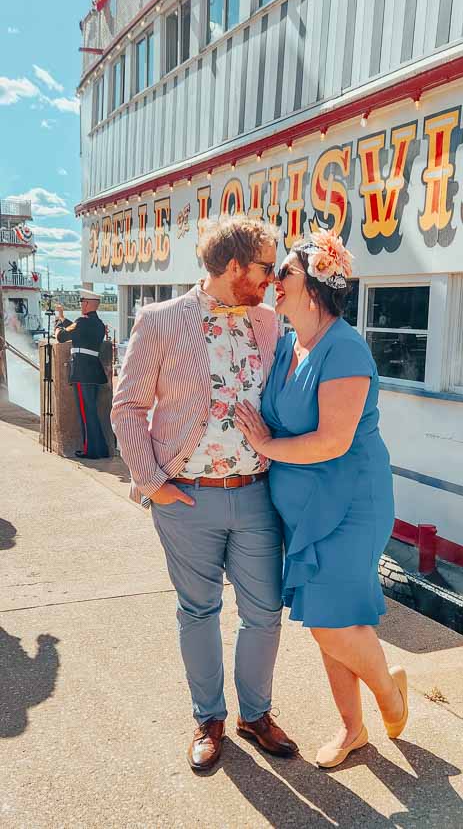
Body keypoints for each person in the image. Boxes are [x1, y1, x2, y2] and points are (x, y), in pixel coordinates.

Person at [111, 218, 298, 772]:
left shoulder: (268, 323)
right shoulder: (161, 320)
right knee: (199, 610)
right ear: (235, 266)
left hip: (258, 493)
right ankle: (209, 719)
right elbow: (127, 407)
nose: (273, 278)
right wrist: (153, 484)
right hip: (187, 497)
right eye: (266, 267)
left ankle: (256, 714)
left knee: (264, 613)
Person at [236, 230, 408, 769]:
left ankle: (388, 693)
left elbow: (333, 440)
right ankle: (353, 729)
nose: (272, 282)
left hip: (351, 502)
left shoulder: (346, 348)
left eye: (282, 273)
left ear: (311, 288)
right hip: (304, 509)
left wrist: (264, 445)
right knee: (327, 621)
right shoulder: (289, 341)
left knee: (333, 622)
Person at [54, 289, 110, 460]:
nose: (80, 306)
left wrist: (57, 325)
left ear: (87, 304)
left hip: (81, 371)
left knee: (87, 413)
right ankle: (101, 449)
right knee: (92, 411)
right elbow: (78, 329)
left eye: (81, 303)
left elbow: (62, 336)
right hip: (93, 369)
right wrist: (63, 317)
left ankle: (91, 451)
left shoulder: (81, 322)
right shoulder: (99, 324)